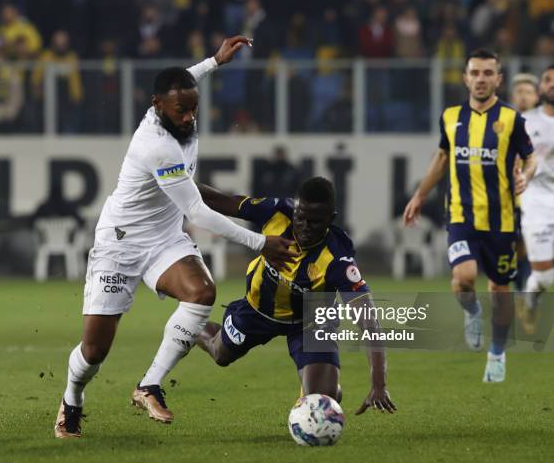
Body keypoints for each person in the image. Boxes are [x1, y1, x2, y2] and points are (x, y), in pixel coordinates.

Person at [54, 36, 294, 438]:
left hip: (163, 238)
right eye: (181, 111)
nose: (188, 118)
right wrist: (259, 244)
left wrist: (214, 62)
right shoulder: (157, 145)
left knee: (201, 293)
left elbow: (185, 81)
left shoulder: (177, 111)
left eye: (193, 109)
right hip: (120, 243)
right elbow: (197, 210)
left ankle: (149, 385)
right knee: (94, 352)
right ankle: (71, 399)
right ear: (157, 107)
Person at [196, 177, 396, 414]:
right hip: (259, 310)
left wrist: (379, 383)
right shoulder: (276, 212)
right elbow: (220, 200)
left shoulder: (337, 260)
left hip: (309, 322)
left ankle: (326, 386)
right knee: (220, 353)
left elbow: (369, 320)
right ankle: (190, 325)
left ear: (331, 219)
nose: (304, 226)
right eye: (300, 217)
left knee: (322, 402)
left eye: (315, 222)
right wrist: (172, 181)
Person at [403, 49, 536, 383]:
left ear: (498, 79)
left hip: (502, 220)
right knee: (463, 278)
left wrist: (526, 175)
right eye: (475, 72)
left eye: (488, 73)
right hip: (461, 216)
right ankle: (473, 312)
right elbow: (442, 157)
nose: (481, 79)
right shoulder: (450, 117)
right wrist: (419, 195)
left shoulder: (511, 119)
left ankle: (497, 354)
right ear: (465, 77)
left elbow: (530, 158)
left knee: (500, 289)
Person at [519, 65, 554, 325]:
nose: (552, 84)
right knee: (545, 277)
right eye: (548, 80)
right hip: (537, 200)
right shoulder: (527, 122)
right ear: (541, 87)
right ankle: (531, 294)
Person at [510, 73, 540, 293]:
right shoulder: (501, 125)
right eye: (519, 92)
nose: (523, 97)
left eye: (528, 92)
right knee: (515, 250)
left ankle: (526, 293)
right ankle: (521, 290)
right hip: (509, 199)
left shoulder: (546, 126)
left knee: (531, 247)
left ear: (536, 96)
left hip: (539, 199)